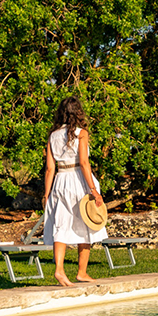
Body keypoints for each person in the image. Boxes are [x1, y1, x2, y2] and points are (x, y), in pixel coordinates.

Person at [40, 96, 107, 286]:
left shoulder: (53, 135)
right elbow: (84, 163)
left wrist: (46, 194)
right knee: (86, 223)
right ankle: (81, 272)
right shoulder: (81, 133)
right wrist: (94, 190)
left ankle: (60, 270)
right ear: (78, 112)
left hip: (60, 181)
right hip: (78, 179)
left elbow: (50, 168)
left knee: (61, 225)